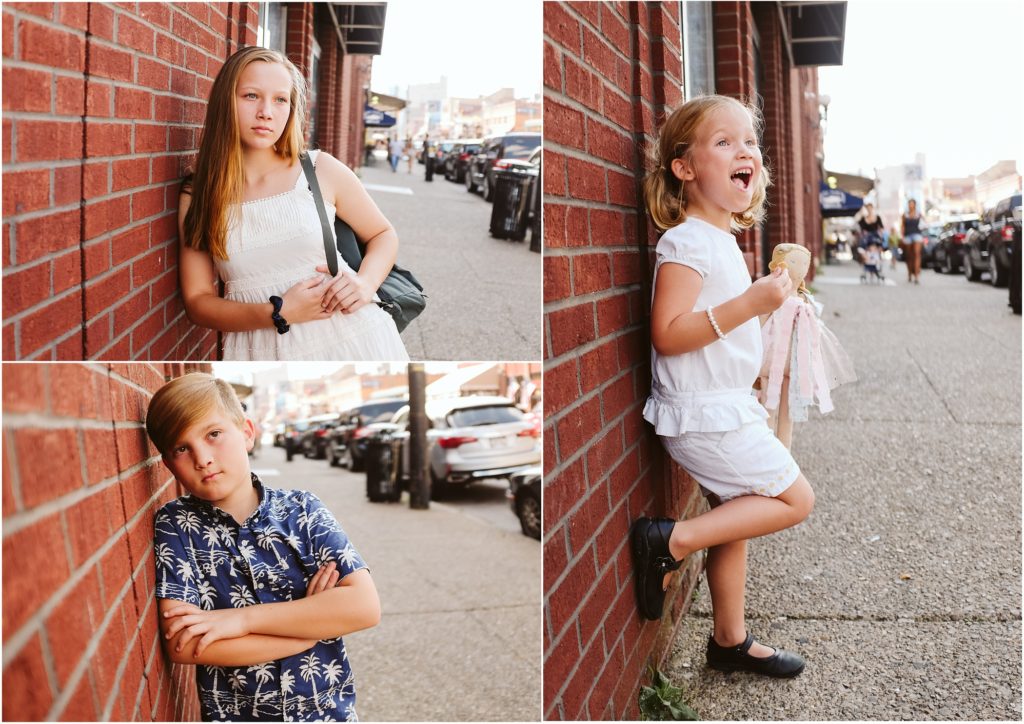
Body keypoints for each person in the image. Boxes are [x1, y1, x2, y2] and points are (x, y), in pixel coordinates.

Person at [631, 95, 815, 678]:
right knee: (794, 500)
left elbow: (719, 335)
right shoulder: (685, 241)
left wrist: (764, 338)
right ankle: (671, 540)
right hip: (704, 416)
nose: (746, 152)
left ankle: (728, 643)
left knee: (735, 518)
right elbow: (668, 332)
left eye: (751, 143)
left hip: (723, 406)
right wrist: (750, 303)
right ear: (684, 169)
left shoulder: (721, 240)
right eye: (724, 142)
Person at [147, 373, 380, 720]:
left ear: (247, 432)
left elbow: (363, 607)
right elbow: (186, 643)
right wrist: (309, 629)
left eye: (213, 434)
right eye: (182, 448)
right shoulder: (176, 525)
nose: (203, 458)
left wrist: (239, 621)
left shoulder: (302, 510)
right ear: (168, 464)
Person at [178, 46, 408, 361]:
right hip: (260, 352)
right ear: (225, 101)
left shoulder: (320, 169)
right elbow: (197, 301)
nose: (266, 112)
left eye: (280, 99)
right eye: (250, 96)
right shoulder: (199, 192)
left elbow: (383, 234)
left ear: (292, 108)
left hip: (354, 339)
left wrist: (365, 283)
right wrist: (278, 311)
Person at [901, 198, 925, 284]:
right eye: (909, 204)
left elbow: (924, 224)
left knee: (916, 254)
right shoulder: (905, 215)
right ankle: (909, 273)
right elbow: (903, 226)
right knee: (908, 256)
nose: (910, 205)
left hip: (917, 235)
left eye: (912, 204)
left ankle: (917, 275)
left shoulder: (919, 214)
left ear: (914, 205)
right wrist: (902, 237)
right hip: (907, 235)